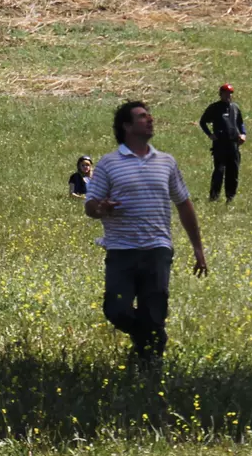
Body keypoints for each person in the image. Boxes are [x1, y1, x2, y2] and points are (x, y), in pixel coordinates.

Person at [84, 101, 208, 362]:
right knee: (116, 309)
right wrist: (102, 208)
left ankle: (147, 368)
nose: (150, 119)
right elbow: (90, 206)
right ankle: (153, 340)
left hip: (157, 249)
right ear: (126, 126)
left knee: (155, 311)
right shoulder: (108, 164)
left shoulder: (166, 162)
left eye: (149, 115)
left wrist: (198, 248)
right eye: (142, 117)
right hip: (121, 250)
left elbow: (184, 204)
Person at [197, 83, 247, 203]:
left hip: (234, 145)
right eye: (226, 93)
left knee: (233, 172)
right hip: (220, 145)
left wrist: (243, 134)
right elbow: (203, 122)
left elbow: (240, 123)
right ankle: (214, 196)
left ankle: (230, 197)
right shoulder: (214, 108)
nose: (228, 96)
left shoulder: (235, 108)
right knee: (219, 171)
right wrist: (210, 134)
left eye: (230, 94)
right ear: (221, 94)